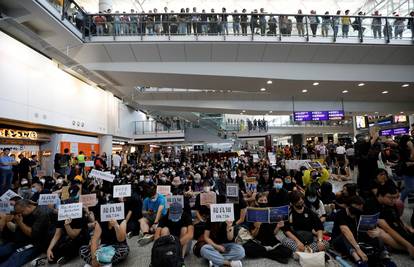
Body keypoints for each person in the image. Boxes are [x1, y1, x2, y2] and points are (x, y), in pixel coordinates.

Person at [331, 195, 396, 267]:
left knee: (376, 235)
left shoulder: (358, 214)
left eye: (361, 207)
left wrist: (374, 231)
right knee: (345, 235)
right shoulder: (340, 214)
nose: (360, 208)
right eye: (358, 206)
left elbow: (363, 228)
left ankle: (385, 258)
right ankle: (358, 260)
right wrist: (359, 250)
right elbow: (346, 231)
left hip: (355, 239)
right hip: (339, 240)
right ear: (350, 205)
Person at [365, 184, 414, 257]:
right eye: (391, 197)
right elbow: (387, 228)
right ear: (380, 195)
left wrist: (407, 227)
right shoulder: (371, 204)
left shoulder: (390, 203)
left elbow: (397, 219)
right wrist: (408, 245)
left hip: (393, 229)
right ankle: (407, 248)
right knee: (378, 232)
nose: (394, 200)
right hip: (377, 232)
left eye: (395, 197)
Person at [243, 193, 292, 263]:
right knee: (247, 249)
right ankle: (272, 255)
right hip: (258, 242)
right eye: (261, 200)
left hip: (271, 241)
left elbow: (274, 233)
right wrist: (257, 227)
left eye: (265, 200)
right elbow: (253, 235)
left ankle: (266, 253)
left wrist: (278, 226)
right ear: (256, 202)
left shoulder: (272, 213)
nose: (263, 202)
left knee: (288, 252)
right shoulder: (253, 214)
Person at [0, 199, 51, 267]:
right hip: (18, 242)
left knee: (13, 260)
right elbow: (6, 217)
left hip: (33, 244)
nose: (20, 214)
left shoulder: (42, 214)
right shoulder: (21, 212)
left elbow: (32, 234)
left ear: (28, 207)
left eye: (21, 212)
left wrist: (20, 222)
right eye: (18, 212)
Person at [399, 135, 414, 202]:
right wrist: (412, 148)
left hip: (412, 170)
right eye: (409, 140)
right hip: (407, 171)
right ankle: (400, 201)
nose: (410, 141)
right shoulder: (403, 149)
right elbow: (411, 159)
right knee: (410, 188)